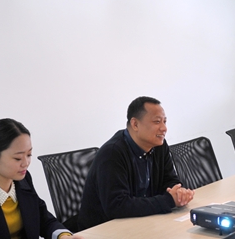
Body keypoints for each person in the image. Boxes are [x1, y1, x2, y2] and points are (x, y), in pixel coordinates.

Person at [77, 96, 195, 229]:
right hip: (103, 230)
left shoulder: (159, 146)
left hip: (143, 222)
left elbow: (170, 180)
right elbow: (117, 206)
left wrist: (179, 193)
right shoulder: (112, 153)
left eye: (165, 122)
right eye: (157, 122)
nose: (164, 128)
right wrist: (168, 200)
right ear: (135, 124)